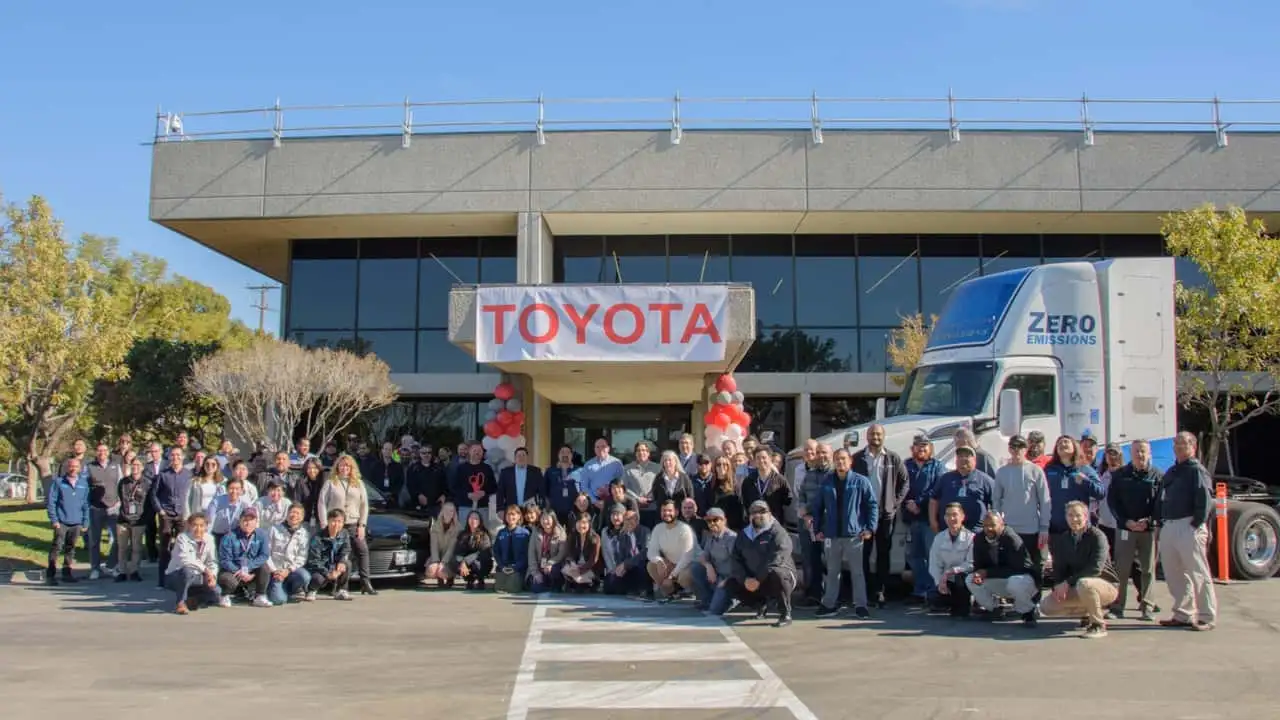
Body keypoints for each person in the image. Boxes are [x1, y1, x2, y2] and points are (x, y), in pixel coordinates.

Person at [1156, 431, 1217, 631]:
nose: (1179, 447)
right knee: (1174, 573)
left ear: (1193, 447)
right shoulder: (1173, 471)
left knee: (1198, 572)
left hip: (1188, 525)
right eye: (1176, 443)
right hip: (1170, 525)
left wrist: (1196, 524)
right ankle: (1183, 613)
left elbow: (1204, 500)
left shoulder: (1196, 470)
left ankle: (1207, 616)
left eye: (1184, 443)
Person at [811, 448, 878, 619]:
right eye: (837, 459)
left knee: (857, 572)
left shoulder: (861, 481)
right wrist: (817, 529)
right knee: (832, 571)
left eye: (843, 459)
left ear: (850, 461)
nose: (840, 462)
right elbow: (817, 507)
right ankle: (829, 604)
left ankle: (861, 605)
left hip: (854, 535)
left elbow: (872, 506)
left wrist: (870, 528)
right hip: (832, 535)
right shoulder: (827, 482)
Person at [1040, 501, 1119, 638]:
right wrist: (1058, 585)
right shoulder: (1063, 539)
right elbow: (1059, 568)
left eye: (1078, 515)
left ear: (1086, 516)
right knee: (1046, 606)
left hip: (1106, 585)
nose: (1074, 519)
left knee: (1085, 584)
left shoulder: (1098, 536)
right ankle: (1087, 611)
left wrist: (1067, 583)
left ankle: (1098, 625)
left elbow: (1095, 569)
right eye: (1070, 515)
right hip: (1078, 585)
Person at [850, 424, 909, 608]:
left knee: (884, 553)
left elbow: (904, 482)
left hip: (885, 515)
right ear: (866, 437)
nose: (875, 437)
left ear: (883, 436)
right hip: (863, 515)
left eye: (878, 434)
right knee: (863, 553)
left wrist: (894, 503)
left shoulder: (892, 458)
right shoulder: (857, 458)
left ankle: (880, 591)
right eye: (871, 434)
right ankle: (864, 591)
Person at [1107, 439, 1162, 621]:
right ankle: (1117, 606)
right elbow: (1112, 502)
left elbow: (1161, 503)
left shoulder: (1157, 476)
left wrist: (1150, 521)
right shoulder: (1121, 475)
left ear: (1150, 453)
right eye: (1137, 451)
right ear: (1130, 453)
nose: (1140, 454)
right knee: (1121, 569)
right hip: (1126, 529)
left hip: (1148, 530)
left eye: (1143, 451)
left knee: (1147, 569)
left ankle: (1147, 606)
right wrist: (1125, 521)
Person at [992, 435, 1051, 602]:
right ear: (1009, 449)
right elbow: (996, 499)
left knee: (1035, 567)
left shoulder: (1036, 470)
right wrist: (997, 524)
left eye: (1020, 447)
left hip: (1032, 528)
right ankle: (1016, 600)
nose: (1017, 450)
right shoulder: (1002, 472)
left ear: (1026, 449)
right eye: (1014, 447)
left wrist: (1044, 527)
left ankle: (1035, 602)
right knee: (1012, 567)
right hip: (1010, 529)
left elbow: (1045, 500)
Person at [725, 500, 796, 627]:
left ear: (769, 514)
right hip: (754, 580)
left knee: (777, 573)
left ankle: (786, 613)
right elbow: (735, 559)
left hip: (777, 578)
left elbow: (777, 558)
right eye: (754, 512)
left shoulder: (778, 532)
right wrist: (745, 579)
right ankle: (760, 605)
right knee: (731, 583)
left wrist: (758, 578)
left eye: (762, 512)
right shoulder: (743, 535)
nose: (757, 515)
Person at [316, 453, 376, 595]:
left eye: (347, 466)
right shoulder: (331, 482)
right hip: (335, 524)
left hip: (353, 523)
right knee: (339, 554)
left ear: (352, 467)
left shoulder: (358, 483)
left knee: (362, 550)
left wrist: (362, 525)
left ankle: (365, 582)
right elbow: (321, 503)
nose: (344, 468)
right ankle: (340, 585)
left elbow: (364, 505)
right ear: (337, 467)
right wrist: (325, 523)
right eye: (342, 465)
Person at [967, 511, 1038, 626]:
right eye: (985, 526)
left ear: (1002, 524)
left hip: (1023, 579)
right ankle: (994, 609)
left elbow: (1017, 568)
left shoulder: (1012, 538)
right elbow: (978, 565)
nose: (988, 529)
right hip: (999, 578)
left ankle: (1028, 611)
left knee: (1015, 583)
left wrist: (987, 572)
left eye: (992, 525)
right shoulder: (979, 539)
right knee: (970, 580)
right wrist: (978, 574)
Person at [903, 435, 944, 604]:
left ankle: (934, 591)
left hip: (929, 519)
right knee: (914, 556)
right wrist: (907, 502)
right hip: (911, 519)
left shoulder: (937, 466)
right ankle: (920, 590)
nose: (922, 449)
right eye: (918, 446)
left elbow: (937, 489)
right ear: (912, 448)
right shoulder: (906, 465)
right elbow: (899, 486)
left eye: (925, 446)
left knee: (932, 556)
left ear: (931, 449)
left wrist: (918, 502)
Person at [163, 512, 223, 614]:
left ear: (206, 527)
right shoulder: (182, 538)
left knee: (217, 592)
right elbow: (186, 560)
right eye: (195, 525)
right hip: (175, 576)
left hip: (197, 577)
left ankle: (192, 599)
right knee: (187, 571)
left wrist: (212, 576)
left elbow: (212, 561)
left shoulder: (209, 539)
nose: (198, 529)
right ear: (189, 526)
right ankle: (180, 603)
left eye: (201, 526)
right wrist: (205, 570)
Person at [150, 447, 193, 588]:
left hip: (182, 515)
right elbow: (154, 494)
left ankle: (181, 579)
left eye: (178, 455)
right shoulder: (163, 475)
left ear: (183, 457)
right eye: (173, 455)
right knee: (165, 547)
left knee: (182, 547)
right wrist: (160, 511)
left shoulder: (189, 475)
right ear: (169, 457)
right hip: (166, 514)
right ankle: (162, 580)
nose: (175, 457)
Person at [1044, 435, 1104, 535]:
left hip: (1079, 527)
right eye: (1059, 443)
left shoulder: (1084, 468)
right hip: (1055, 528)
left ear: (1074, 447)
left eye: (1066, 442)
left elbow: (1101, 492)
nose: (1063, 444)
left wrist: (1085, 482)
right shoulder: (1049, 470)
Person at [928, 446, 995, 534]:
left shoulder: (985, 480)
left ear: (974, 460)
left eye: (967, 456)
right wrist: (933, 521)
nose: (963, 458)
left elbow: (996, 502)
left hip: (975, 533)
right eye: (960, 456)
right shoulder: (945, 478)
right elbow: (934, 500)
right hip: (948, 532)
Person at [795, 442, 830, 605]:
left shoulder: (834, 475)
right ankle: (814, 594)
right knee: (812, 559)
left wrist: (808, 509)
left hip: (828, 525)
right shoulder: (810, 474)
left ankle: (832, 595)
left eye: (825, 453)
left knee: (830, 561)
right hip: (809, 525)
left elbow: (823, 499)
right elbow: (801, 494)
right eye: (819, 453)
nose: (821, 456)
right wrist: (803, 510)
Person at [45, 457, 90, 585]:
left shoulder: (83, 483)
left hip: (76, 522)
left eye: (76, 466)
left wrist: (85, 521)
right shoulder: (59, 482)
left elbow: (86, 504)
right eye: (71, 466)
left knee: (71, 548)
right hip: (61, 521)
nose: (73, 469)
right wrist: (54, 520)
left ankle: (67, 573)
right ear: (67, 468)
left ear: (79, 468)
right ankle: (51, 575)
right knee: (57, 547)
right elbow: (51, 502)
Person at [216, 507, 272, 606]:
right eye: (245, 520)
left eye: (251, 520)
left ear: (256, 522)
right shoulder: (229, 536)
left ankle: (260, 596)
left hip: (251, 569)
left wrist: (248, 568)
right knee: (229, 581)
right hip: (233, 570)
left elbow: (264, 555)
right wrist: (239, 571)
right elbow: (225, 560)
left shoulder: (261, 535)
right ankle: (224, 595)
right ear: (240, 521)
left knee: (265, 568)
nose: (248, 523)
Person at [929, 503, 976, 617]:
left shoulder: (971, 538)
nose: (951, 518)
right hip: (946, 581)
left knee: (960, 578)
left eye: (955, 515)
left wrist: (952, 571)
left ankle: (966, 604)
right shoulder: (939, 538)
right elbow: (934, 565)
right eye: (948, 515)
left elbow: (971, 564)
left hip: (963, 580)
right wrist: (940, 582)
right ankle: (951, 603)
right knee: (932, 597)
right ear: (944, 518)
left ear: (962, 517)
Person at [84, 441, 122, 580]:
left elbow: (120, 484)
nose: (102, 453)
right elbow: (85, 487)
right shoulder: (89, 467)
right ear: (96, 452)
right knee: (95, 541)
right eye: (99, 450)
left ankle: (111, 565)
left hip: (113, 508)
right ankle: (95, 568)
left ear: (108, 452)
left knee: (118, 539)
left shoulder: (115, 466)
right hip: (96, 508)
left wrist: (119, 502)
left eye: (105, 450)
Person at [647, 499, 697, 600]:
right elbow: (651, 551)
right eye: (664, 511)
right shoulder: (658, 528)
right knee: (651, 565)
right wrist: (659, 561)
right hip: (671, 564)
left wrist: (672, 576)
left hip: (687, 565)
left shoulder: (684, 529)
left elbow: (687, 557)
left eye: (670, 510)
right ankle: (670, 592)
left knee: (685, 576)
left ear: (677, 512)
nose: (666, 513)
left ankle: (686, 591)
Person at [691, 507, 737, 615]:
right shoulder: (710, 536)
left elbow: (738, 564)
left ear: (724, 520)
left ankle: (733, 600)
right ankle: (708, 600)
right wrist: (708, 566)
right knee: (696, 568)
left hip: (730, 578)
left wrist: (726, 581)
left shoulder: (732, 538)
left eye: (715, 520)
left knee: (714, 611)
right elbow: (703, 556)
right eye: (708, 521)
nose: (712, 523)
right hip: (717, 576)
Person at [265, 503, 311, 605]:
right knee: (279, 600)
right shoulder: (274, 529)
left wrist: (288, 570)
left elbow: (302, 557)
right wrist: (275, 571)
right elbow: (266, 553)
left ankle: (292, 589)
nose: (294, 515)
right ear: (287, 514)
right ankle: (274, 588)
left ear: (302, 517)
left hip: (290, 571)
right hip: (275, 572)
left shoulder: (304, 534)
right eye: (292, 512)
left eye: (298, 513)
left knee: (305, 576)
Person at [114, 458, 151, 582]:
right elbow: (121, 498)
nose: (135, 467)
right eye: (133, 464)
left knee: (136, 548)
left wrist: (144, 518)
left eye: (138, 465)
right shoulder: (123, 482)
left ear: (142, 467)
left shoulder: (146, 483)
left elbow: (148, 503)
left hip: (139, 520)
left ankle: (134, 571)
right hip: (123, 520)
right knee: (122, 548)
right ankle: (122, 571)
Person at [306, 508, 353, 601]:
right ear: (328, 521)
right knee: (318, 579)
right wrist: (328, 574)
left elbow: (346, 549)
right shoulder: (318, 537)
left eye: (339, 522)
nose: (336, 524)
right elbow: (314, 560)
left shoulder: (344, 533)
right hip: (321, 568)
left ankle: (342, 590)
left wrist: (342, 561)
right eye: (333, 521)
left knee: (347, 564)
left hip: (335, 566)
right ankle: (312, 590)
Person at [602, 506, 649, 596]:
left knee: (640, 568)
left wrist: (626, 564)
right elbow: (621, 555)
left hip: (642, 566)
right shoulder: (623, 535)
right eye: (626, 520)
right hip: (628, 568)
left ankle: (642, 589)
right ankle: (628, 588)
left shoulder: (645, 531)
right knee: (609, 583)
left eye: (632, 519)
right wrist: (619, 568)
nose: (629, 522)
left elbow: (645, 553)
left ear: (637, 521)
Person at [740, 447, 792, 525]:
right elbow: (745, 502)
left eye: (764, 457)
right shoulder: (748, 481)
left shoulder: (780, 480)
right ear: (754, 460)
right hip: (754, 523)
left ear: (770, 458)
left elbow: (788, 500)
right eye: (758, 458)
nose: (761, 461)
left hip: (774, 523)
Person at [452, 444, 497, 528]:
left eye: (479, 451)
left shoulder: (487, 468)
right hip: (465, 507)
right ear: (469, 452)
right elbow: (455, 488)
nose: (477, 453)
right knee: (464, 533)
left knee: (483, 533)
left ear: (483, 453)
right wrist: (467, 495)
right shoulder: (461, 468)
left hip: (483, 507)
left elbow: (494, 487)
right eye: (474, 450)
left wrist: (484, 493)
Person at [493, 505, 531, 593]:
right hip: (504, 567)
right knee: (499, 588)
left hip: (518, 568)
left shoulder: (525, 533)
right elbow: (496, 551)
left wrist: (516, 567)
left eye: (513, 514)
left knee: (513, 587)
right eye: (508, 514)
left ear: (519, 516)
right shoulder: (501, 532)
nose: (511, 517)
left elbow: (527, 554)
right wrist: (502, 566)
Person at [528, 511, 567, 593]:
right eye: (543, 519)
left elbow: (561, 554)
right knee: (535, 588)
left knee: (554, 572)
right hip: (540, 566)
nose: (545, 521)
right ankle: (546, 584)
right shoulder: (536, 532)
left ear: (553, 519)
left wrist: (550, 563)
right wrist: (535, 572)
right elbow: (531, 553)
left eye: (548, 519)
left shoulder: (561, 532)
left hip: (554, 565)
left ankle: (556, 584)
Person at [424, 502, 461, 588]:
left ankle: (450, 577)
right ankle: (439, 578)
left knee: (442, 571)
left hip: (450, 558)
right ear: (442, 512)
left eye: (451, 511)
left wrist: (443, 562)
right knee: (431, 571)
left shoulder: (458, 528)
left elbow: (451, 548)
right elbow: (433, 546)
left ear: (454, 513)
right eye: (446, 510)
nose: (449, 513)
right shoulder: (435, 526)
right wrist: (436, 561)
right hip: (438, 555)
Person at [206, 476, 251, 547]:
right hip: (218, 536)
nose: (234, 491)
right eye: (231, 488)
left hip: (235, 537)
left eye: (237, 489)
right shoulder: (216, 501)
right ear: (226, 489)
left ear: (242, 490)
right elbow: (209, 520)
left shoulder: (245, 505)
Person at [580, 438, 624, 510]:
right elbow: (584, 486)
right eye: (597, 447)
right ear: (594, 449)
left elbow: (621, 483)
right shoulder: (588, 465)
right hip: (593, 503)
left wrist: (609, 490)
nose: (600, 449)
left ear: (608, 448)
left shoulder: (617, 463)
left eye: (603, 446)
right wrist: (595, 501)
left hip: (613, 502)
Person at [561, 513, 601, 592]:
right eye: (579, 522)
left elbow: (593, 560)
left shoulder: (595, 538)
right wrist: (573, 564)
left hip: (589, 567)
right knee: (564, 568)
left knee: (579, 585)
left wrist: (580, 570)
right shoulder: (572, 536)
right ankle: (578, 580)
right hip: (575, 566)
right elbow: (568, 554)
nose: (581, 525)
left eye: (584, 523)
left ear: (589, 524)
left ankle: (590, 581)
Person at [456, 510, 494, 590]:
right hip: (467, 564)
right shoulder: (462, 534)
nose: (473, 521)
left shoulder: (485, 534)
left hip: (481, 563)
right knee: (456, 561)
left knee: (477, 562)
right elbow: (458, 551)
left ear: (480, 521)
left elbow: (481, 553)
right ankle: (469, 580)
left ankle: (480, 579)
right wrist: (462, 563)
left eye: (476, 519)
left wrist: (465, 561)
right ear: (467, 520)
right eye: (471, 518)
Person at [623, 441, 660, 524]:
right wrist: (637, 498)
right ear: (635, 453)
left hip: (653, 508)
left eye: (644, 450)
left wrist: (650, 497)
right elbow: (624, 488)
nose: (641, 453)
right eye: (638, 450)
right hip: (635, 508)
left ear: (648, 453)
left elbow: (659, 485)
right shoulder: (627, 469)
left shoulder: (657, 468)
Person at [651, 450, 695, 517]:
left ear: (675, 462)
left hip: (681, 515)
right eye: (665, 460)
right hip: (664, 516)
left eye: (670, 460)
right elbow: (655, 495)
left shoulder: (684, 477)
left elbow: (690, 496)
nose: (667, 462)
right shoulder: (658, 478)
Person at [545, 445, 581, 525]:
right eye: (562, 452)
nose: (565, 454)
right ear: (558, 455)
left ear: (572, 455)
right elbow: (545, 490)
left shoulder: (580, 470)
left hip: (574, 511)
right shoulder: (550, 471)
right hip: (555, 511)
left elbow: (583, 491)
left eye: (568, 452)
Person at [405, 445, 447, 513]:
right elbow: (410, 485)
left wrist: (443, 495)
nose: (426, 455)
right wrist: (418, 495)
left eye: (429, 452)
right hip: (418, 506)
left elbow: (445, 484)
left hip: (436, 505)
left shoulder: (439, 468)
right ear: (420, 454)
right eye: (424, 453)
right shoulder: (413, 469)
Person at [709, 455, 745, 531]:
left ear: (729, 467)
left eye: (725, 464)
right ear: (715, 467)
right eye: (718, 465)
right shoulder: (710, 485)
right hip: (713, 526)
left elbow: (738, 511)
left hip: (732, 528)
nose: (722, 467)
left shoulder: (735, 485)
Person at [187, 457, 223, 531]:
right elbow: (187, 499)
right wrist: (187, 516)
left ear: (217, 466)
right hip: (198, 514)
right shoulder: (195, 481)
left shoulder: (222, 482)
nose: (210, 467)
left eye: (213, 464)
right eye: (207, 464)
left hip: (214, 515)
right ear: (203, 466)